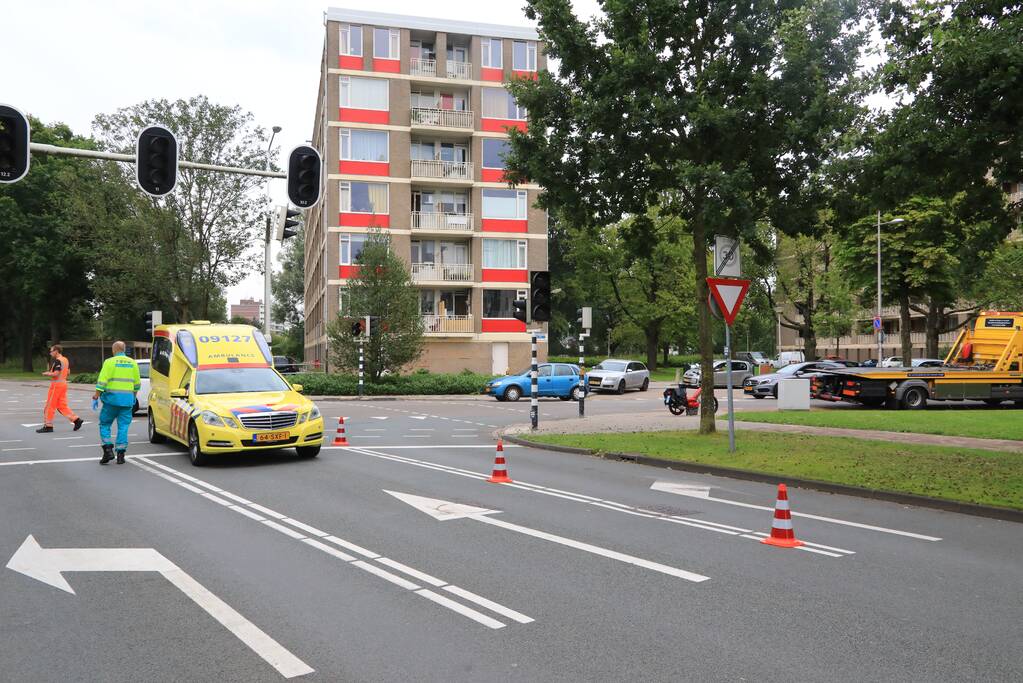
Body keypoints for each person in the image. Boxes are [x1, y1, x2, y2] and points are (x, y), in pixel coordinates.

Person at [93, 341, 141, 465]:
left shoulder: (109, 362)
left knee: (105, 424)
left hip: (111, 401)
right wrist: (133, 398)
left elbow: (102, 382)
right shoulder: (132, 363)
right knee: (123, 427)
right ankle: (121, 455)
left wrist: (96, 396)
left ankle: (108, 450)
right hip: (127, 401)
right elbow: (136, 384)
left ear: (114, 350)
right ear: (124, 349)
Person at [37, 344, 84, 433]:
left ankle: (48, 426)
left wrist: (46, 373)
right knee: (61, 405)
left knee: (50, 406)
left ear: (56, 351)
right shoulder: (65, 360)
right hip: (63, 384)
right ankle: (76, 420)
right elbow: (68, 372)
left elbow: (56, 374)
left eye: (51, 351)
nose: (50, 353)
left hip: (56, 386)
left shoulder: (58, 361)